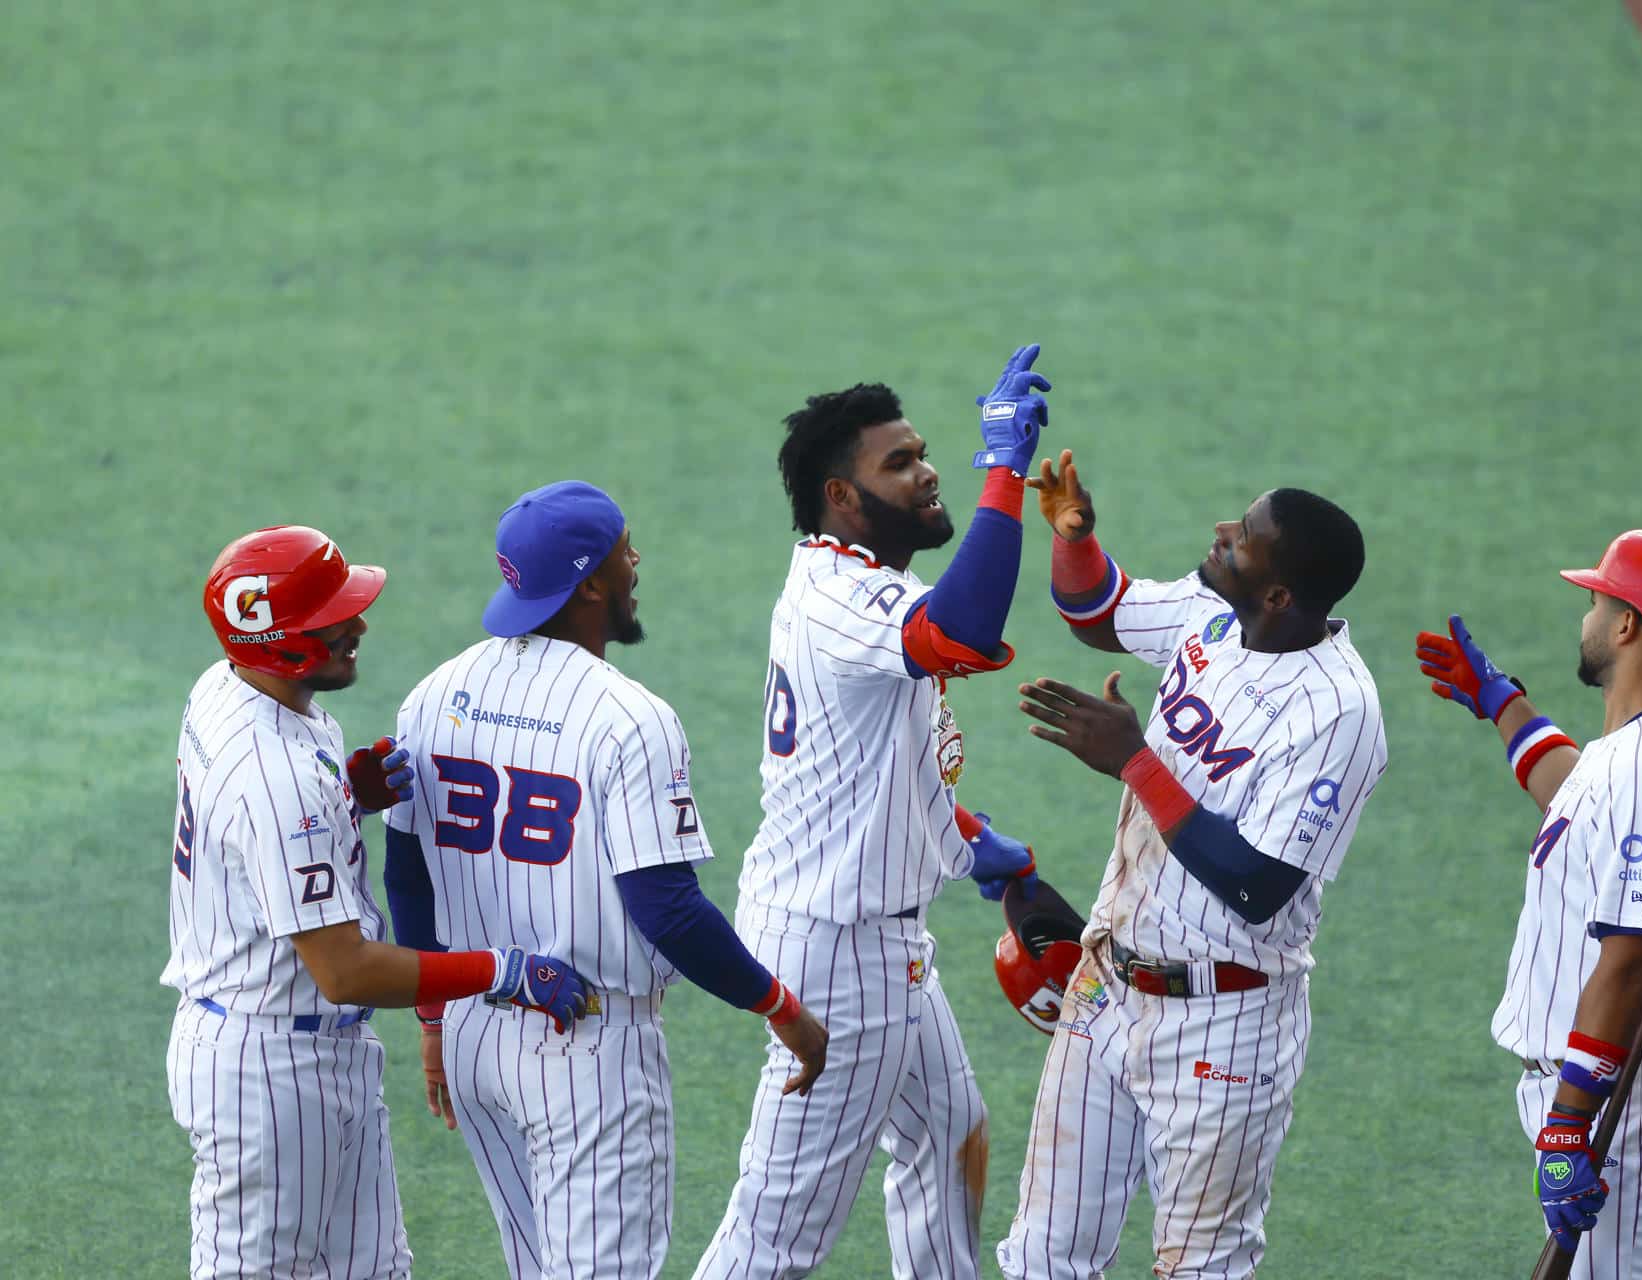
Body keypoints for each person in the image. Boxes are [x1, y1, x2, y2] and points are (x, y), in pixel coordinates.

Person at [380, 481, 829, 1279]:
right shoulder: (629, 717)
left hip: (475, 1034)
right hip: (586, 1047)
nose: (637, 562)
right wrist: (781, 1007)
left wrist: (432, 1019)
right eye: (625, 550)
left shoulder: (434, 693)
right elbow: (668, 910)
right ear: (590, 582)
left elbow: (406, 871)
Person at [693, 349, 1052, 1279]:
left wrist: (978, 847)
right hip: (842, 955)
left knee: (948, 1134)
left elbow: (863, 771)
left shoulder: (848, 585)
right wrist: (1004, 472)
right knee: (775, 1236)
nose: (929, 472)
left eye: (923, 452)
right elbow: (964, 634)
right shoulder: (841, 598)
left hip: (857, 932)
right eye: (899, 464)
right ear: (840, 497)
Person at [996, 450, 1387, 1280]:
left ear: (1280, 595)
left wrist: (1137, 762)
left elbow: (1258, 884)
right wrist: (1074, 537)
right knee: (1039, 1256)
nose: (1221, 535)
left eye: (1244, 538)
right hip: (1105, 988)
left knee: (1198, 1268)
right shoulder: (1215, 612)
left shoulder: (1338, 713)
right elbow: (1096, 611)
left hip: (1224, 1025)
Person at [164, 525, 587, 1280]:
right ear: (285, 644)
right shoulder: (274, 775)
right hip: (267, 1068)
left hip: (311, 1052)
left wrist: (343, 799)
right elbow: (346, 971)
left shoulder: (230, 685)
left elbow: (254, 839)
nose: (358, 623)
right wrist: (500, 971)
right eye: (334, 617)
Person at [1414, 529, 1642, 1277]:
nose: (1586, 615)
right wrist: (1503, 704)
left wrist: (1568, 1126)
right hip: (1613, 1087)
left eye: (1596, 599)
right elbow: (1574, 798)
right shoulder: (1634, 752)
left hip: (1634, 1100)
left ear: (1628, 625)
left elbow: (1630, 961)